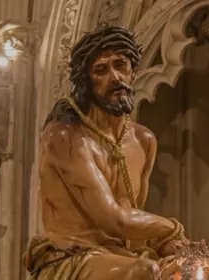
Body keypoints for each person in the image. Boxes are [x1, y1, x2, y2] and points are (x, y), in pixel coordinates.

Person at [23, 26, 188, 279]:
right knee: (145, 271)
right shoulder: (65, 136)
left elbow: (130, 224)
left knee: (193, 269)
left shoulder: (143, 140)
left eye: (120, 65)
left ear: (133, 70)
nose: (115, 77)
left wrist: (167, 246)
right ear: (87, 81)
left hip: (119, 258)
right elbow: (115, 220)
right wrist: (172, 229)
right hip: (69, 259)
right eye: (101, 70)